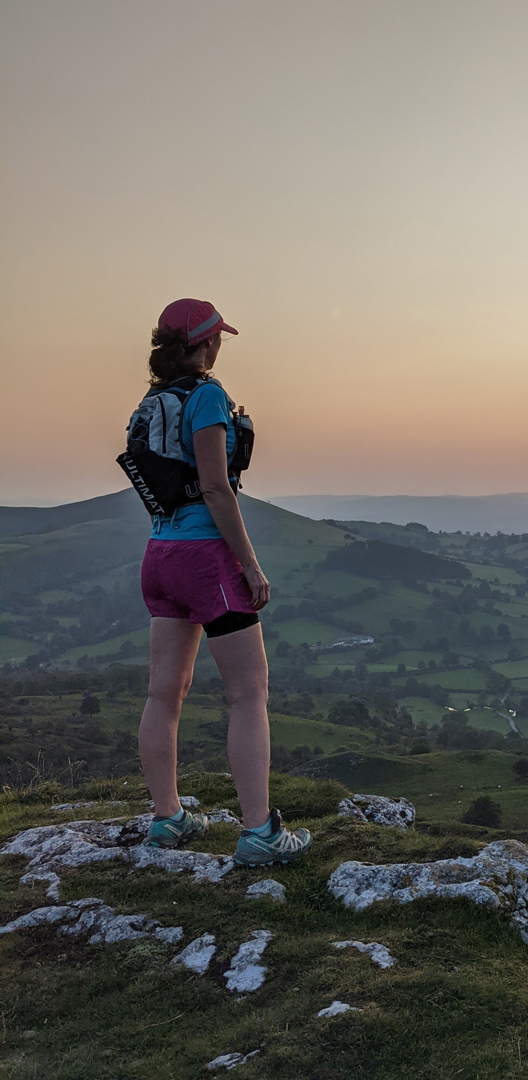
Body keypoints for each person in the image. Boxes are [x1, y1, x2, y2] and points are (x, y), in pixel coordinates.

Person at [127, 298, 311, 867]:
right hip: (207, 557)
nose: (221, 345)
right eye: (218, 337)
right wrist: (250, 565)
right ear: (205, 343)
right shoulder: (207, 396)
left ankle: (168, 819)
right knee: (248, 693)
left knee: (164, 692)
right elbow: (215, 486)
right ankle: (259, 833)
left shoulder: (151, 401)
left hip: (160, 554)